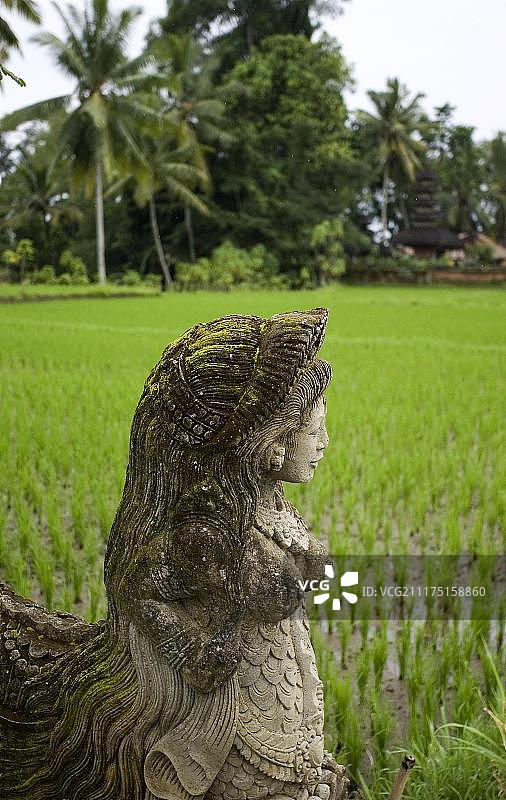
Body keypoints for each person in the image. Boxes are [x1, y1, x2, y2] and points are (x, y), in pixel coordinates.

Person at [0, 308, 352, 800]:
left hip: (290, 696)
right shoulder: (207, 535)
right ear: (270, 442)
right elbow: (137, 586)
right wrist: (193, 652)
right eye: (313, 432)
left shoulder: (269, 507)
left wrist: (317, 571)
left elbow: (319, 585)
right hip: (237, 730)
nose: (324, 444)